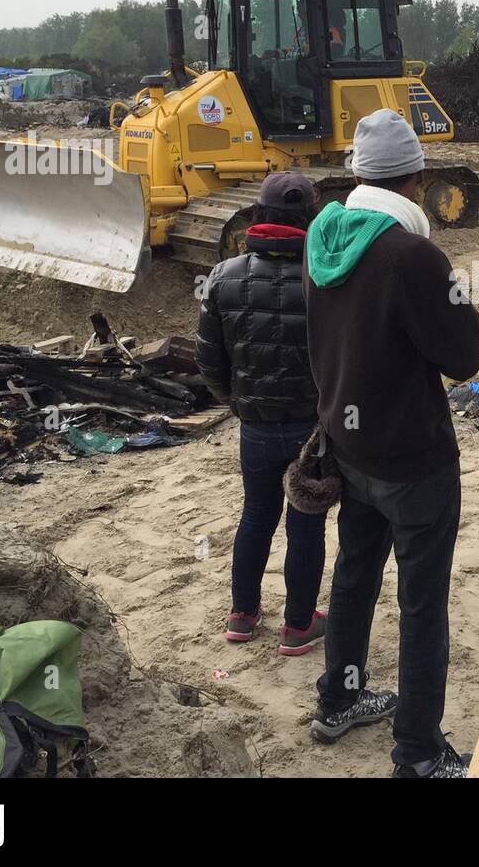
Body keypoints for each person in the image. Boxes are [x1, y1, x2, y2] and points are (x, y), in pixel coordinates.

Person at [304, 109, 479, 778]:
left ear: (358, 175)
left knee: (352, 578)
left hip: (349, 448)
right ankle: (416, 749)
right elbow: (463, 358)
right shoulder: (413, 256)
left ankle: (339, 700)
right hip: (413, 460)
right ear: (415, 176)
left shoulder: (321, 236)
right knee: (421, 604)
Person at [196, 173, 327, 655]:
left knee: (255, 514)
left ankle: (242, 615)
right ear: (310, 216)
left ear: (259, 215)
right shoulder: (326, 277)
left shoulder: (223, 277)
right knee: (306, 522)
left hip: (253, 426)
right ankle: (297, 626)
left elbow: (208, 360)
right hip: (312, 428)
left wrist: (236, 401)